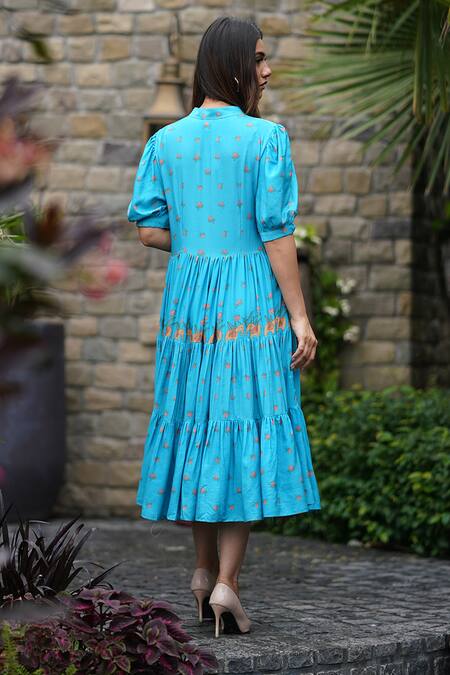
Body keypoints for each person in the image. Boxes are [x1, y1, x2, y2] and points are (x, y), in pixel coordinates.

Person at [127, 16, 321, 639]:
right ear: (233, 63)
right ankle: (227, 586)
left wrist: (199, 244)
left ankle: (200, 571)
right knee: (241, 430)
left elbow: (148, 229)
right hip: (248, 305)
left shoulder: (166, 141)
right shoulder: (265, 138)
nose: (267, 69)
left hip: (188, 306)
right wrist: (299, 317)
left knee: (198, 425)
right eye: (259, 58)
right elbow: (277, 233)